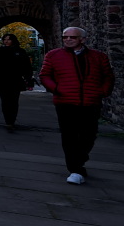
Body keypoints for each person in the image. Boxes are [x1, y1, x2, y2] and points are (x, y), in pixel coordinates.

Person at [39, 26, 115, 184]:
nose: (68, 40)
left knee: (89, 135)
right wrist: (56, 89)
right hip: (65, 102)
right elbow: (45, 75)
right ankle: (75, 169)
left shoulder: (98, 57)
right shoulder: (54, 55)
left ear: (82, 39)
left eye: (72, 37)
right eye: (65, 37)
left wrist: (102, 91)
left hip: (90, 102)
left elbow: (108, 76)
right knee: (69, 135)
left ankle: (79, 160)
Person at [0, 33, 34, 131]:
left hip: (15, 79)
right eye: (4, 39)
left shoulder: (20, 51)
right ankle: (8, 121)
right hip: (2, 79)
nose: (6, 41)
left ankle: (12, 120)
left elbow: (26, 66)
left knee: (14, 101)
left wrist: (28, 78)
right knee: (5, 101)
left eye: (8, 39)